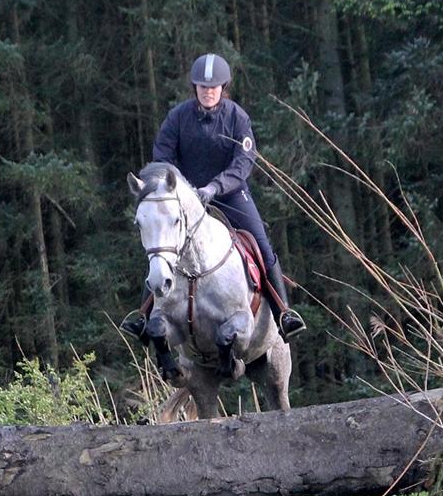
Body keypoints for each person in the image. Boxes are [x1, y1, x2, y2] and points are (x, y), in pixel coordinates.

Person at [121, 52, 306, 342]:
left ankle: (284, 313)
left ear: (223, 87)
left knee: (261, 244)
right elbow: (162, 158)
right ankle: (142, 314)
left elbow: (243, 163)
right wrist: (181, 189)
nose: (208, 92)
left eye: (214, 87)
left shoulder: (237, 117)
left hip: (230, 194)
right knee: (161, 245)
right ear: (194, 87)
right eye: (203, 87)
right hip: (185, 198)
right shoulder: (177, 117)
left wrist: (214, 188)